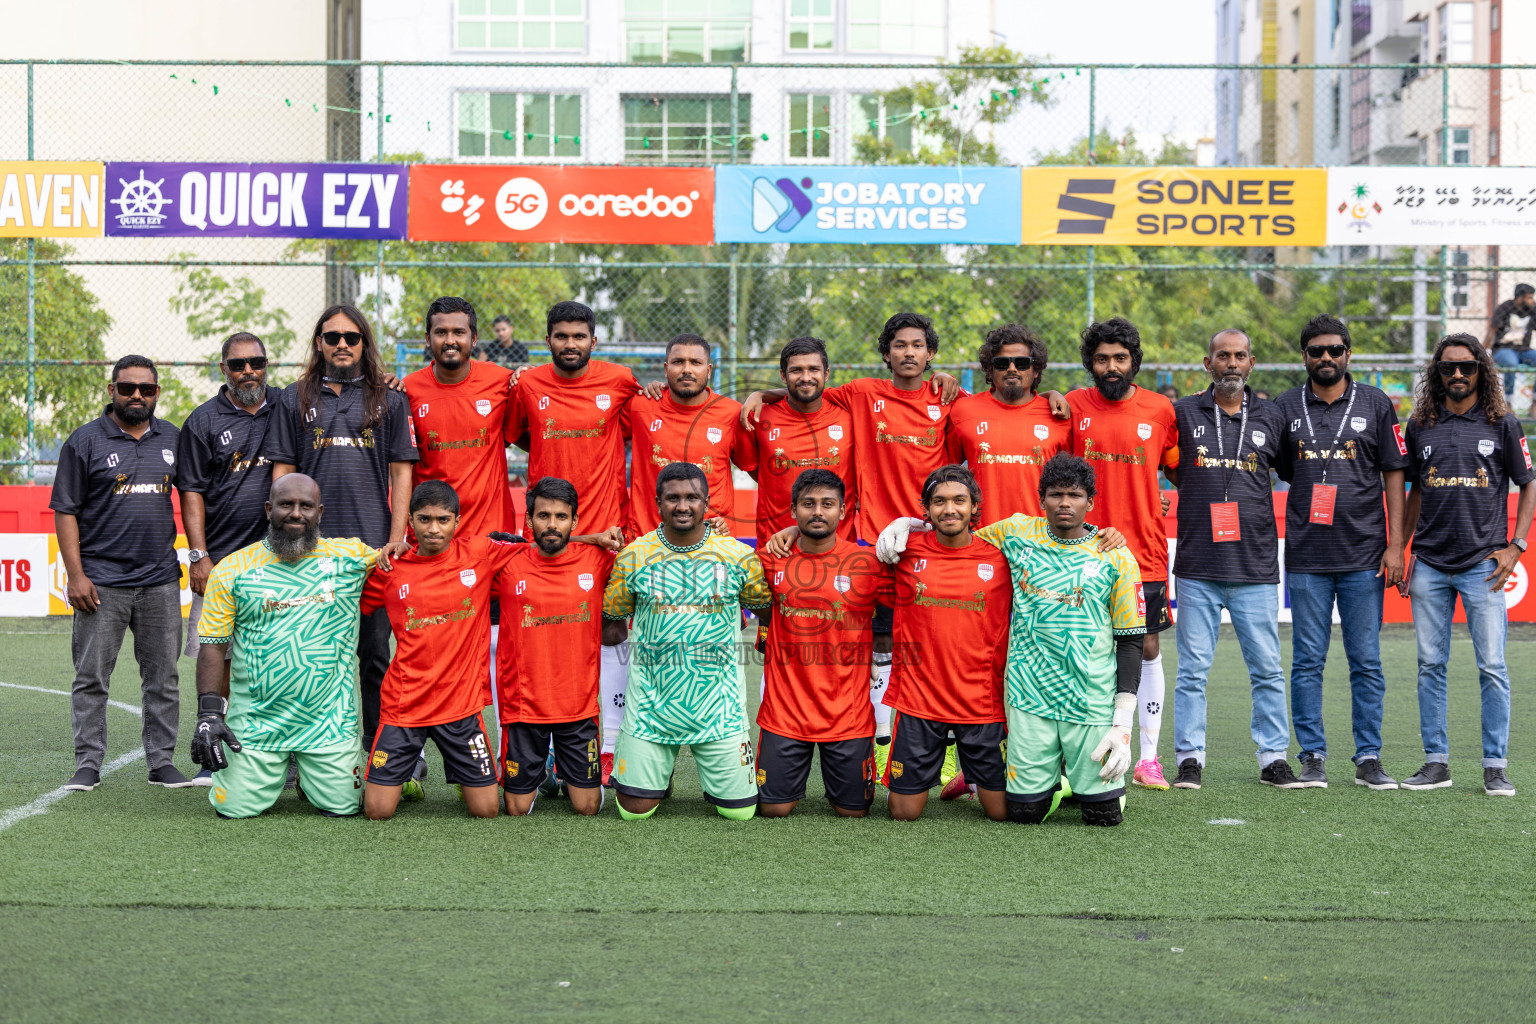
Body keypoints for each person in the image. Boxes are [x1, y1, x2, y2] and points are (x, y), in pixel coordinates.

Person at [741, 313, 969, 781]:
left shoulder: (948, 399)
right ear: (886, 353)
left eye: (918, 346)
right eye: (899, 345)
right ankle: (817, 742)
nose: (909, 353)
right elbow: (799, 393)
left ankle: (926, 745)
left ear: (930, 353)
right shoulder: (860, 394)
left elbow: (989, 410)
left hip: (928, 541)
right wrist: (756, 394)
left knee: (928, 644)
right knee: (835, 644)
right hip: (866, 542)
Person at [188, 474, 398, 818]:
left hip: (329, 722)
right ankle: (274, 773)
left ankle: (312, 778)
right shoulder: (232, 570)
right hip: (256, 725)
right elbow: (212, 645)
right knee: (233, 809)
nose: (296, 513)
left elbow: (408, 563)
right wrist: (209, 714)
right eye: (286, 504)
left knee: (343, 808)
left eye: (306, 506)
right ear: (269, 509)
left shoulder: (351, 558)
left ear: (320, 512)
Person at [265, 304, 419, 752]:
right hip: (308, 550)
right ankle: (303, 749)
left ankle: (380, 746)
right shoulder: (294, 398)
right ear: (319, 343)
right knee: (306, 657)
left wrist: (395, 539)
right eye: (333, 337)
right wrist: (282, 538)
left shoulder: (389, 398)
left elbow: (401, 472)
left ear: (364, 343)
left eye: (352, 338)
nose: (342, 345)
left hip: (371, 551)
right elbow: (282, 472)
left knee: (374, 656)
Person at [508, 300, 642, 778]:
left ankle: (608, 744)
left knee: (610, 629)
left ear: (593, 341)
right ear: (548, 340)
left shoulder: (621, 381)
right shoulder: (527, 383)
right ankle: (543, 747)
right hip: (545, 535)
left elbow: (651, 419)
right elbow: (520, 436)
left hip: (605, 535)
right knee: (542, 636)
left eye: (578, 336)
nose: (570, 344)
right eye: (561, 336)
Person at [1274, 314, 1408, 790]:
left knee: (1365, 660)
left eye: (1335, 349)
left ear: (1348, 354)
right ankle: (1312, 755)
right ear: (1305, 356)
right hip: (1308, 556)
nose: (1326, 357)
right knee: (1308, 660)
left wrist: (1395, 546)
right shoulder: (1286, 406)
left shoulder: (1376, 403)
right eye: (1316, 351)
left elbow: (1394, 472)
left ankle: (1368, 756)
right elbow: (1286, 470)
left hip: (1365, 555)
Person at [972, 454, 1143, 826]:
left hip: (1089, 697)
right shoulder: (1016, 533)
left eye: (1075, 495)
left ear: (1091, 502)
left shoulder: (1116, 555)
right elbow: (958, 543)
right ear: (1041, 499)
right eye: (1056, 494)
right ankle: (1057, 782)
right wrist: (908, 526)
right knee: (1024, 815)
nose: (1065, 503)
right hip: (1029, 693)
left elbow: (1130, 640)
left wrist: (1123, 724)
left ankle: (1076, 783)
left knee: (1103, 817)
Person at [1398, 335, 1536, 796]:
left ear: (1482, 371)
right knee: (1429, 664)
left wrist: (1517, 545)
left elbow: (1528, 484)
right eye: (1448, 368)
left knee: (1493, 665)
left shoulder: (1503, 423)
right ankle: (1436, 763)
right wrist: (1401, 548)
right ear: (1435, 375)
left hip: (1484, 564)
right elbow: (1414, 490)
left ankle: (1494, 766)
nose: (1457, 375)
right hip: (1431, 564)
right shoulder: (1420, 425)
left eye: (1467, 367)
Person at [601, 462, 771, 820]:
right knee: (634, 812)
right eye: (673, 498)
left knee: (739, 813)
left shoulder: (738, 556)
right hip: (652, 707)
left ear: (706, 502)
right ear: (657, 502)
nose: (682, 505)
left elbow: (766, 610)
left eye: (692, 497)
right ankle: (659, 772)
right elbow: (612, 623)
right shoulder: (634, 557)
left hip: (718, 709)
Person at [52, 355, 191, 792]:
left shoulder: (172, 437)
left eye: (145, 389)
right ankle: (88, 763)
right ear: (110, 390)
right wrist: (75, 575)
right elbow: (66, 511)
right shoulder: (85, 441)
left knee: (163, 677)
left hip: (160, 579)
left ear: (156, 394)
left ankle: (162, 762)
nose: (136, 395)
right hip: (101, 582)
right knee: (92, 676)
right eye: (127, 387)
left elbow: (191, 496)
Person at [1166, 330, 1295, 790]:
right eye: (1224, 356)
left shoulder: (1272, 416)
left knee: (1267, 669)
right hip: (1198, 563)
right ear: (1208, 363)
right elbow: (1165, 466)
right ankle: (1189, 757)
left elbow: (1291, 472)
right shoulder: (1182, 412)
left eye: (1240, 356)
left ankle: (1273, 757)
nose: (1232, 363)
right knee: (1193, 671)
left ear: (1252, 363)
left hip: (1255, 566)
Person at [1067, 317, 1179, 790]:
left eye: (1120, 358)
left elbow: (1179, 472)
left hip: (1142, 552)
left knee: (1147, 646)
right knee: (1078, 649)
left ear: (1134, 361)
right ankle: (1074, 755)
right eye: (1101, 359)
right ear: (1090, 364)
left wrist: (1160, 500)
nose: (1111, 367)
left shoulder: (1161, 410)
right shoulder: (1071, 406)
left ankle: (1147, 758)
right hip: (1078, 553)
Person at [869, 466, 1012, 822]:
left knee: (1004, 813)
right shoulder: (902, 551)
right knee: (903, 812)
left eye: (959, 501)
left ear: (975, 506)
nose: (950, 509)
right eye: (940, 502)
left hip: (981, 702)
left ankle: (971, 775)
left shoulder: (1002, 556)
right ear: (926, 510)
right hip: (919, 701)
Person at [176, 332, 282, 784]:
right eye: (238, 365)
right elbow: (191, 492)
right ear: (223, 369)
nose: (248, 372)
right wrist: (198, 555)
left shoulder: (286, 405)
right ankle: (209, 752)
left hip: (278, 562)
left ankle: (284, 751)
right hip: (220, 561)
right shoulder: (202, 421)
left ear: (266, 365)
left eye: (255, 363)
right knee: (215, 656)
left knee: (279, 659)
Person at [755, 469, 884, 818]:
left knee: (853, 813)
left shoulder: (870, 563)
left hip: (848, 715)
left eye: (827, 504)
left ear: (843, 511)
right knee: (773, 810)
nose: (817, 512)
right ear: (793, 509)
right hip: (786, 713)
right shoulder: (771, 559)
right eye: (808, 504)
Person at [496, 477, 625, 816]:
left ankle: (558, 767)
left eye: (561, 517)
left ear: (575, 521)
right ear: (528, 520)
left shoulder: (597, 560)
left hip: (578, 708)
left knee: (588, 807)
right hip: (524, 708)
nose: (552, 525)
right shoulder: (506, 562)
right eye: (543, 517)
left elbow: (646, 553)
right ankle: (545, 767)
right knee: (516, 809)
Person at [627, 333, 757, 539]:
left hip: (714, 542)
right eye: (678, 362)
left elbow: (756, 471)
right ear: (665, 369)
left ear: (708, 370)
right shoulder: (640, 406)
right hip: (648, 541)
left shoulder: (732, 414)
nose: (686, 369)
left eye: (695, 362)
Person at [945, 323, 1072, 523]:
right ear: (989, 369)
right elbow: (944, 475)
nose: (1012, 369)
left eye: (1021, 363)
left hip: (1039, 542)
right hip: (981, 537)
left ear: (1036, 370)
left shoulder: (1058, 416)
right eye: (1002, 363)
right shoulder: (963, 411)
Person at [749, 337, 857, 548]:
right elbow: (755, 470)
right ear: (783, 375)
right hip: (777, 547)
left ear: (826, 373)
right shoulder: (759, 417)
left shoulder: (851, 416)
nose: (806, 377)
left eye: (814, 370)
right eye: (796, 370)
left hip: (838, 548)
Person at [1484, 282, 1536, 408]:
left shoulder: (1533, 310)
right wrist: (1483, 351)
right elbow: (1492, 330)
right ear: (1519, 298)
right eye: (1529, 297)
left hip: (1523, 350)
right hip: (1503, 349)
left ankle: (1534, 403)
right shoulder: (1505, 308)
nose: (1532, 300)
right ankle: (1508, 402)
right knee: (1511, 363)